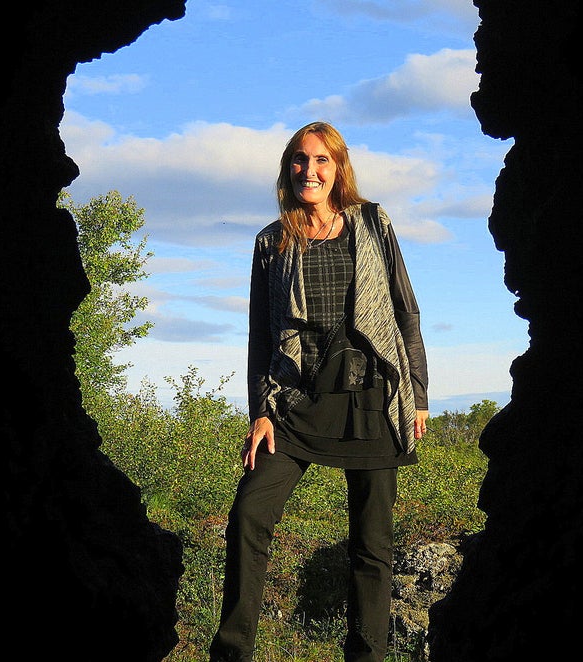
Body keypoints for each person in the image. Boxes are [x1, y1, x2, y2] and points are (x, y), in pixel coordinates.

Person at [209, 121, 429, 662]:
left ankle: (367, 656)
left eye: (322, 160)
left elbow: (404, 310)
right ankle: (232, 653)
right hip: (296, 399)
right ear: (289, 169)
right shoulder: (272, 239)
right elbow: (262, 335)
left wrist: (417, 394)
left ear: (339, 167)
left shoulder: (373, 221)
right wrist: (260, 411)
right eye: (300, 161)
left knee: (372, 545)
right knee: (249, 516)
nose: (310, 170)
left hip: (374, 398)